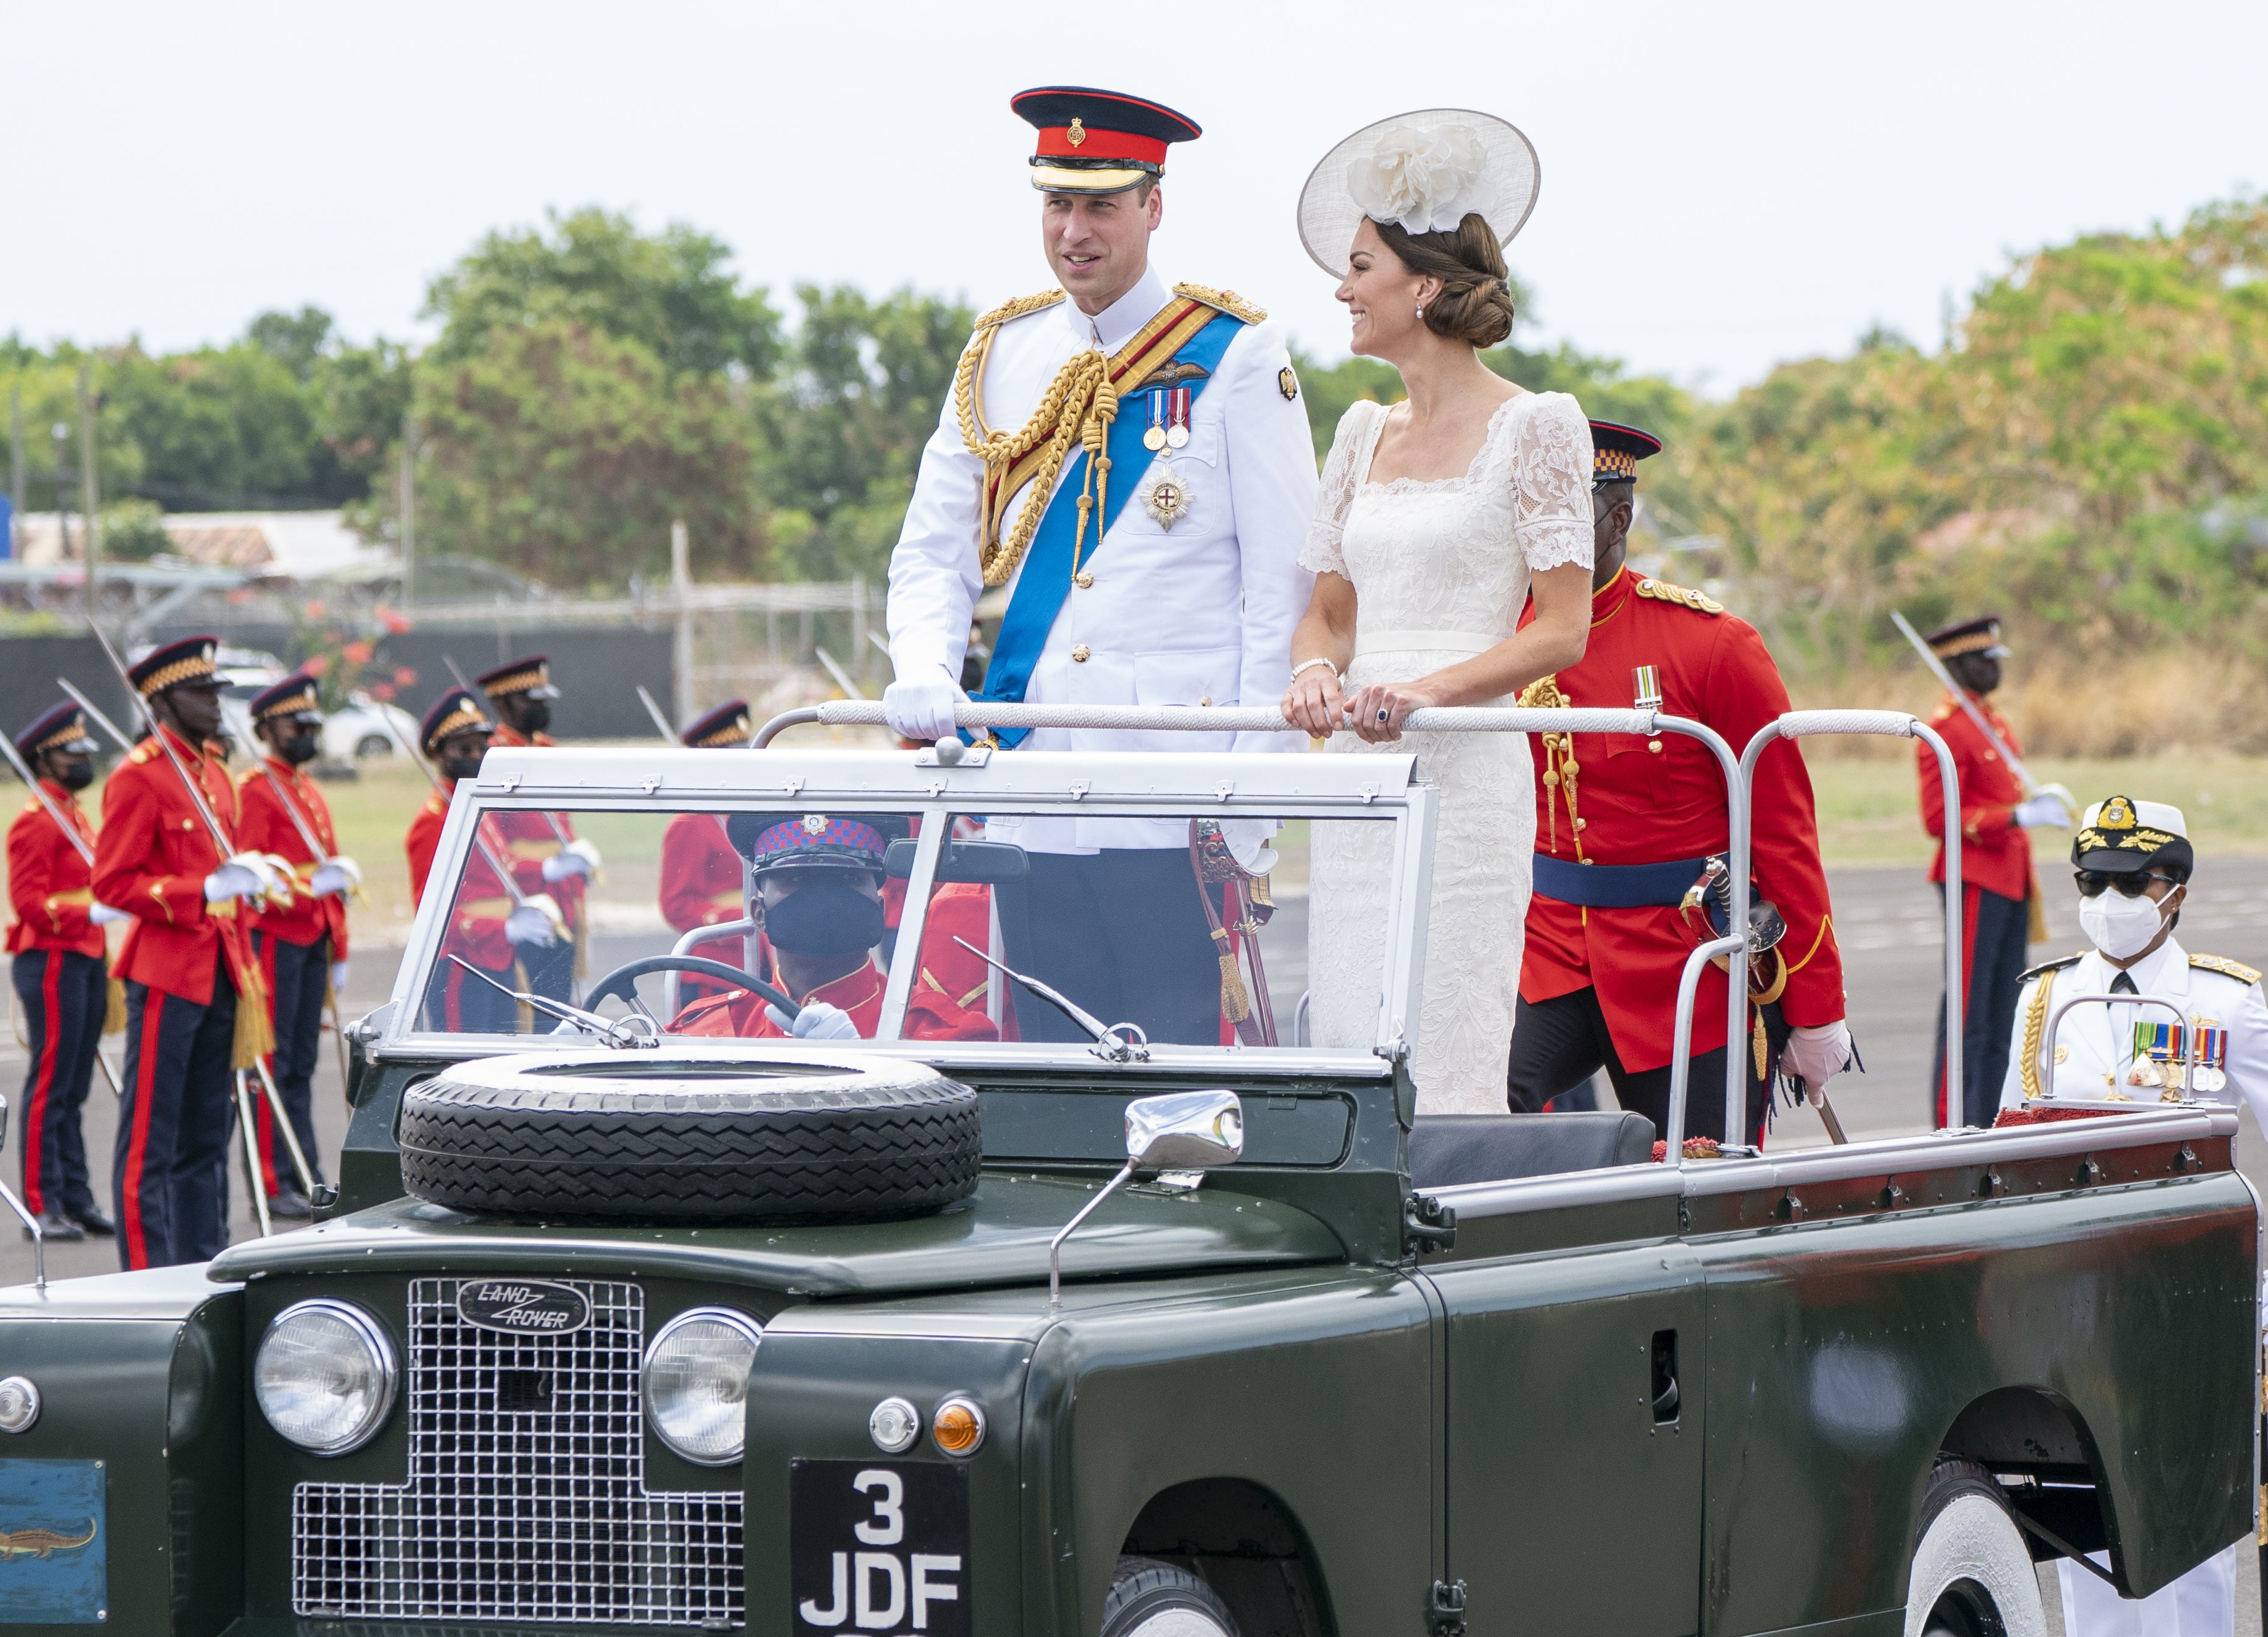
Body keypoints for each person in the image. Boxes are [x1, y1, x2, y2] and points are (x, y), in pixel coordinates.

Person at [879, 86, 1316, 1047]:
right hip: (1029, 791)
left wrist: (1252, 801)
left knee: (1181, 1077)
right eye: (1056, 205)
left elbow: (1281, 591)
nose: (1074, 232)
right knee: (1045, 1074)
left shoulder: (1235, 354)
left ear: (1153, 207)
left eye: (1101, 206)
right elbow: (933, 547)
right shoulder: (1000, 351)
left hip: (1171, 798)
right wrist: (920, 663)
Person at [2003, 796, 2268, 1637]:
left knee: (2183, 1526)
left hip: (2186, 1292)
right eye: (2089, 882)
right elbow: (2007, 1140)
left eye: (2130, 884)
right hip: (2071, 1295)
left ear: (2175, 892)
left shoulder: (2223, 1001)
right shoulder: (2042, 998)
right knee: (2083, 1516)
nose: (2106, 903)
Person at [1283, 108, 1592, 1110]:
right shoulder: (1359, 430)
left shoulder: (1537, 426)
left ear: (1420, 286)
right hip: (1359, 783)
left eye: (1360, 266)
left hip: (1465, 772)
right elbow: (1327, 613)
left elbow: (1561, 628)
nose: (1341, 288)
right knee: (1350, 1034)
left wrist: (1424, 690)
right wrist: (1315, 671)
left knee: (1450, 1051)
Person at [1503, 420, 1851, 1142]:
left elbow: (1782, 832)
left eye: (1564, 515)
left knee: (1703, 1175)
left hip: (1683, 960)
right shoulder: (1502, 636)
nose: (1544, 536)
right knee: (1479, 1110)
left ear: (1618, 516)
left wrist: (1816, 1007)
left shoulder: (1710, 643)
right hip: (1550, 950)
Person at [93, 635, 279, 1269]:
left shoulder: (214, 774)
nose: (215, 703)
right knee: (149, 1139)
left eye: (215, 690)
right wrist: (199, 888)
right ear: (165, 700)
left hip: (223, 968)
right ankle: (146, 1272)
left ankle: (201, 1260)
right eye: (201, 693)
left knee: (206, 1135)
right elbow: (112, 884)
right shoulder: (138, 777)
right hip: (167, 972)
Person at [1917, 615, 2070, 1128]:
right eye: (1983, 660)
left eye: (1995, 659)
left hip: (2009, 876)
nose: (1993, 669)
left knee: (2004, 1007)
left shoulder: (1990, 721)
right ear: (1957, 665)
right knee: (1969, 1009)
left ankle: (1990, 1117)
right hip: (1974, 879)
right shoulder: (1945, 730)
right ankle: (1953, 1120)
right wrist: (2017, 817)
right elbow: (1940, 818)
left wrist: (2034, 805)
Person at [664, 815, 991, 1042]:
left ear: (879, 909)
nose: (824, 900)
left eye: (848, 879)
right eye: (796, 880)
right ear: (759, 913)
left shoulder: (941, 1034)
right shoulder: (713, 1030)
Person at [236, 671, 357, 1217]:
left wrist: (341, 947)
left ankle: (305, 1170)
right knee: (274, 1062)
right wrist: (312, 889)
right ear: (267, 728)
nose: (306, 731)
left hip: (313, 939)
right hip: (277, 939)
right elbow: (256, 882)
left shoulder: (307, 789)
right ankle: (270, 1177)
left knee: (303, 1064)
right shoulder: (256, 791)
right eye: (295, 723)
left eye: (311, 722)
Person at [2, 700, 120, 1241]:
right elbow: (27, 902)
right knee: (50, 1083)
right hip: (50, 956)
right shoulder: (35, 821)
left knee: (75, 1085)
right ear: (43, 760)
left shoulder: (73, 814)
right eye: (70, 753)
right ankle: (38, 1201)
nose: (80, 761)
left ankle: (76, 1194)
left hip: (88, 954)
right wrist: (86, 911)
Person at [405, 688, 559, 1032]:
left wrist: (530, 895)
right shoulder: (433, 822)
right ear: (438, 753)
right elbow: (433, 914)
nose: (476, 756)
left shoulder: (477, 808)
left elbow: (499, 876)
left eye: (482, 747)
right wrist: (500, 927)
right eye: (464, 749)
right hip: (463, 963)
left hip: (500, 954)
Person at [475, 654, 599, 1007]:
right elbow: (490, 843)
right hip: (522, 899)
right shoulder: (492, 757)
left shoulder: (547, 750)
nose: (541, 705)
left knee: (561, 1009)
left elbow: (561, 826)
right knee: (530, 1011)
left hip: (562, 898)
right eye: (530, 698)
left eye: (543, 697)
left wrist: (575, 866)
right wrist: (541, 868)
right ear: (501, 702)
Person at [658, 700, 753, 937]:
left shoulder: (745, 812)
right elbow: (676, 906)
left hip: (760, 950)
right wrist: (738, 917)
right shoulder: (690, 824)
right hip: (717, 959)